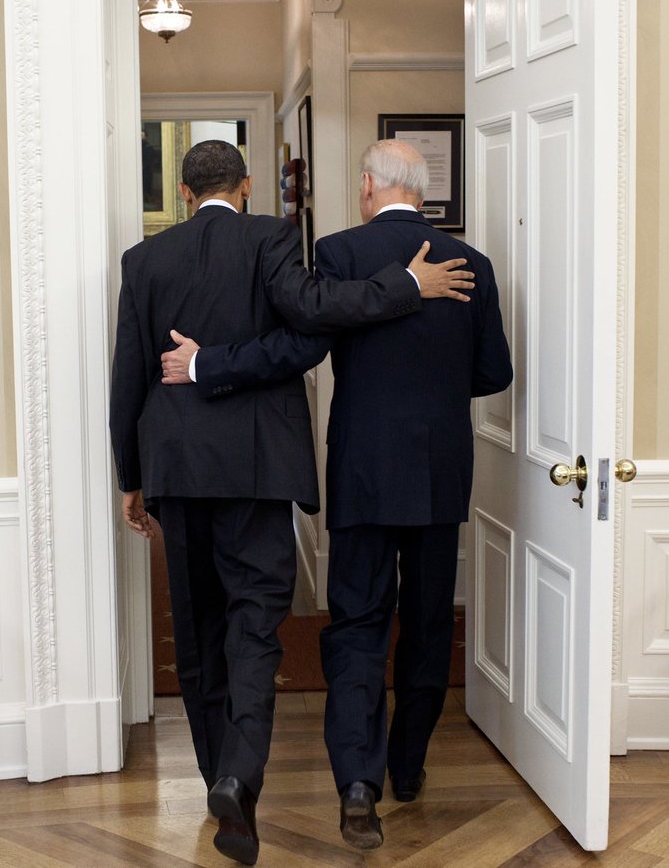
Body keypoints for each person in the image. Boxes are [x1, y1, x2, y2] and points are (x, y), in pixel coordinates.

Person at [108, 140, 474, 867]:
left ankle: (221, 778)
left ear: (183, 193)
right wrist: (405, 286)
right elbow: (313, 318)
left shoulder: (142, 262)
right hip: (258, 470)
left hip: (176, 470)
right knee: (254, 628)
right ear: (245, 187)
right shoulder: (273, 237)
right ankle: (241, 775)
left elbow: (128, 378)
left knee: (196, 629)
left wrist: (131, 477)